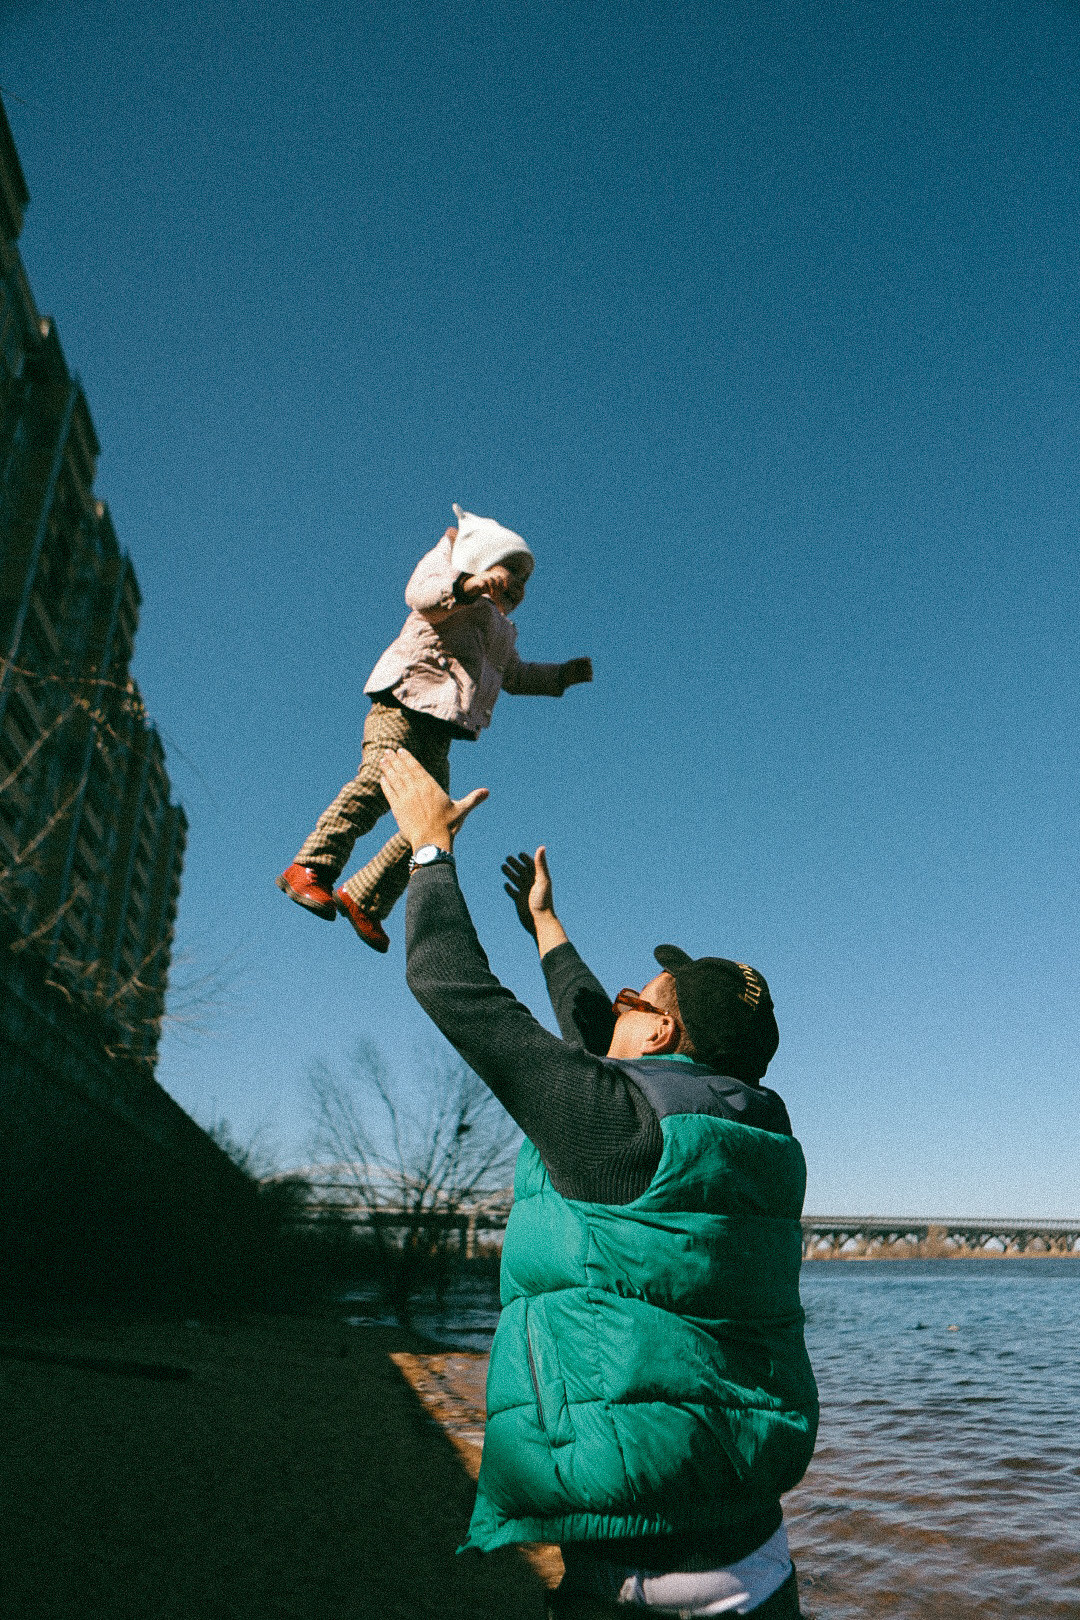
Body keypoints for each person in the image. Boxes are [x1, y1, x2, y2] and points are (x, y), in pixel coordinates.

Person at [378, 747, 819, 1618]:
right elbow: (600, 1060)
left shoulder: (613, 1128)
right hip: (758, 1557)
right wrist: (549, 929)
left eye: (634, 997)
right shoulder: (758, 1136)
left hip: (634, 1580)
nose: (614, 1004)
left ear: (659, 1036)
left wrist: (429, 853)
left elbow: (451, 986)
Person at [276, 505, 592, 951]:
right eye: (510, 572)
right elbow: (420, 595)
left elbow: (513, 676)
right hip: (401, 704)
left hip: (438, 732)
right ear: (481, 560)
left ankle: (366, 897)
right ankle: (310, 867)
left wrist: (561, 676)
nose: (518, 587)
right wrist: (469, 584)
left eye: (525, 583)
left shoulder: (502, 630)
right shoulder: (453, 583)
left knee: (434, 820)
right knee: (373, 785)